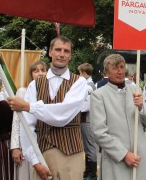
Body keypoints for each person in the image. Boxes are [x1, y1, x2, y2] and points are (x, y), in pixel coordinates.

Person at [7, 36, 87, 180]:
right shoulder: (34, 85)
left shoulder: (79, 82)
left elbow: (62, 116)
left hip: (71, 154)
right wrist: (35, 160)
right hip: (42, 154)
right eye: (57, 49)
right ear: (50, 52)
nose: (61, 54)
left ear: (70, 55)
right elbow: (27, 126)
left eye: (66, 51)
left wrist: (28, 106)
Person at [90, 54, 146, 180]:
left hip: (140, 158)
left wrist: (142, 107)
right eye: (115, 68)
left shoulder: (134, 89)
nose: (120, 71)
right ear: (106, 72)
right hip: (116, 160)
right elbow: (99, 133)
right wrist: (124, 154)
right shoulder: (99, 96)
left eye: (121, 67)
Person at [11, 61, 48, 180]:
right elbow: (17, 120)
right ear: (31, 74)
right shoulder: (23, 91)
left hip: (46, 141)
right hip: (27, 140)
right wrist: (15, 147)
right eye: (36, 71)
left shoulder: (51, 92)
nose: (40, 73)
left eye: (43, 70)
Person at [78, 63, 98, 180]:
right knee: (87, 146)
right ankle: (88, 170)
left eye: (80, 73)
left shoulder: (89, 86)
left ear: (85, 73)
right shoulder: (88, 85)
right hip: (85, 119)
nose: (79, 75)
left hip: (87, 119)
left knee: (90, 146)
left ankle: (91, 173)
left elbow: (86, 106)